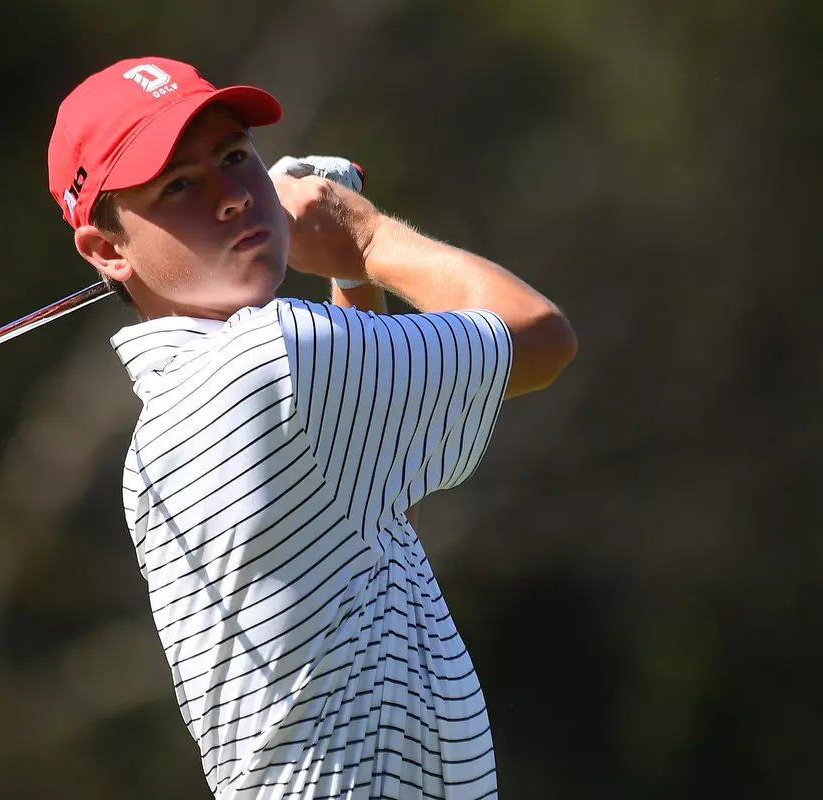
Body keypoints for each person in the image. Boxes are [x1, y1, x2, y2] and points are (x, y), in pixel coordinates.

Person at [47, 57, 577, 799]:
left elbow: (368, 497)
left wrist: (350, 278)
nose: (233, 197)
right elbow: (541, 337)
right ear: (109, 250)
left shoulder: (168, 427)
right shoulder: (275, 357)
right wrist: (364, 236)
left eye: (235, 157)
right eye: (179, 187)